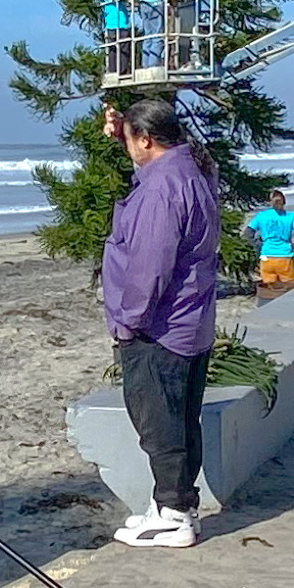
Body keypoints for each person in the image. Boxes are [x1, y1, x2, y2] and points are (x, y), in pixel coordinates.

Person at [102, 99, 221, 549]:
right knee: (182, 418)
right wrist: (125, 135)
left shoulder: (161, 190)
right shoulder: (192, 168)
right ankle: (173, 505)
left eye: (132, 139)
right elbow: (151, 168)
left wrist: (127, 323)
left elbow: (150, 266)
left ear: (146, 140)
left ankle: (174, 513)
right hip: (190, 321)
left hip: (161, 327)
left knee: (159, 422)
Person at [243, 190, 294, 294]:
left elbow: (247, 234)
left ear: (270, 202)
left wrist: (258, 245)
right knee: (288, 288)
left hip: (267, 257)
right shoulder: (290, 216)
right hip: (285, 257)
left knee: (270, 288)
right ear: (284, 202)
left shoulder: (261, 216)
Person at [96, 0, 131, 78]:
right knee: (123, 48)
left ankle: (113, 71)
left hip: (110, 22)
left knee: (113, 50)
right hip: (119, 21)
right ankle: (122, 71)